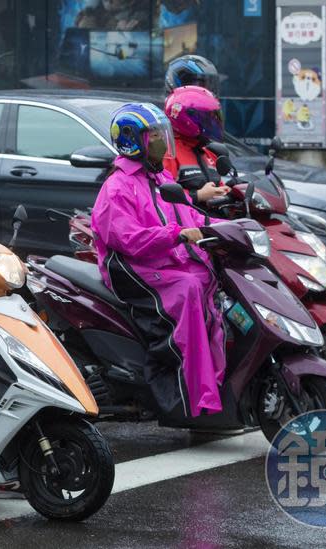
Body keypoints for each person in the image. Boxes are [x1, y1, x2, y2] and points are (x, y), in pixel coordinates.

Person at [90, 103, 225, 418]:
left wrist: (228, 230)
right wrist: (178, 234)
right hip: (132, 268)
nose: (164, 142)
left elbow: (186, 212)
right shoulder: (117, 187)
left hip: (162, 260)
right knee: (189, 287)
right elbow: (129, 240)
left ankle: (213, 382)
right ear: (133, 141)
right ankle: (191, 395)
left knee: (209, 275)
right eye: (154, 135)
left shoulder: (160, 175)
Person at [163, 85, 229, 207]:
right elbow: (163, 198)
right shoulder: (169, 153)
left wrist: (226, 190)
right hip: (189, 223)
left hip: (216, 220)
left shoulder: (206, 151)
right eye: (207, 118)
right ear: (186, 120)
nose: (212, 123)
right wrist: (199, 195)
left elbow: (217, 185)